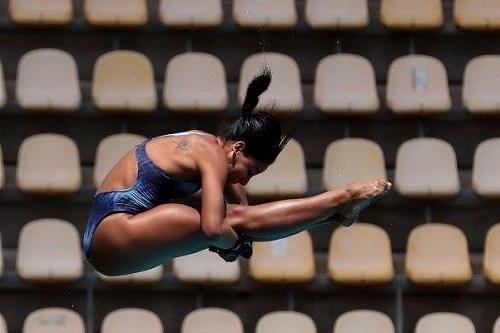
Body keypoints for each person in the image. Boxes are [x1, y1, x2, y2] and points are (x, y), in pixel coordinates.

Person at [82, 70, 392, 276]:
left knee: (238, 221)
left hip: (111, 238)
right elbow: (217, 227)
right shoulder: (211, 155)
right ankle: (342, 197)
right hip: (112, 233)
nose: (245, 180)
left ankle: (333, 213)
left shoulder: (212, 148)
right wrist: (230, 245)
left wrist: (233, 243)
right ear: (238, 148)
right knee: (227, 223)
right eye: (250, 170)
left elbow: (244, 215)